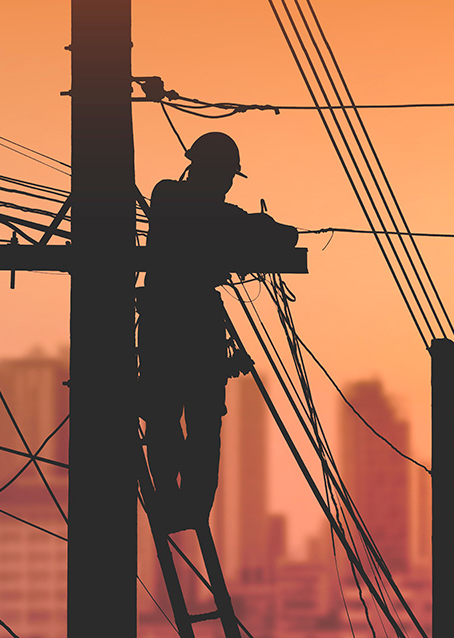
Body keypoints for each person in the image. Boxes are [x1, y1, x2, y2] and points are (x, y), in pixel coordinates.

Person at [139, 132, 297, 528]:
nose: (228, 184)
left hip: (169, 320)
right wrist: (255, 229)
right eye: (226, 175)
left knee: (187, 420)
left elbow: (240, 225)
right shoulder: (173, 197)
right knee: (182, 418)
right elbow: (266, 231)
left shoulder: (189, 206)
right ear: (210, 171)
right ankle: (179, 502)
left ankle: (185, 504)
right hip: (185, 321)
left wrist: (249, 230)